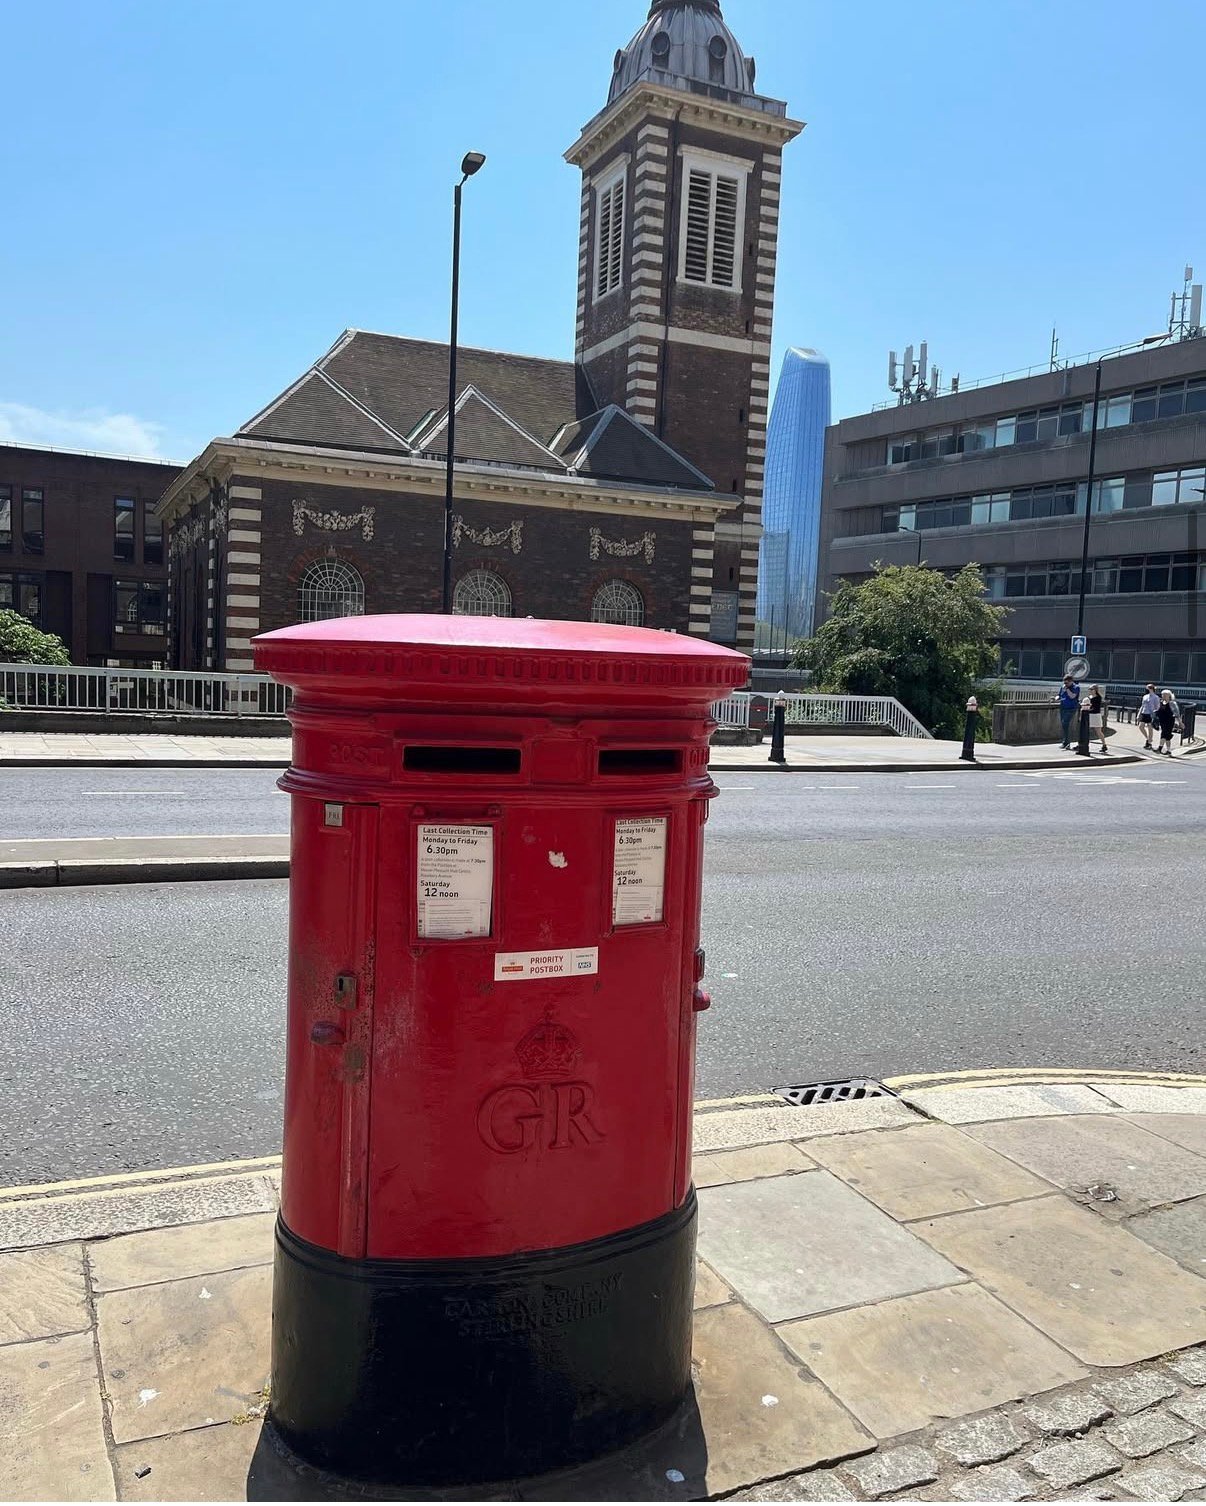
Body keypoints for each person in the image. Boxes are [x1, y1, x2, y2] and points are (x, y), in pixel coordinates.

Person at [1057, 675, 1081, 749]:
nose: (1065, 684)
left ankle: (1066, 742)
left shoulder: (1076, 687)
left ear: (1071, 681)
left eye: (1067, 683)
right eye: (1064, 683)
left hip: (1071, 708)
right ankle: (1065, 742)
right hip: (1063, 707)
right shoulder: (1063, 687)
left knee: (1065, 722)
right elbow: (1059, 695)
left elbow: (1072, 696)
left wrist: (1067, 689)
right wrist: (1055, 698)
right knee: (1064, 725)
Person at [1156, 690, 1180, 756]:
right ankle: (1169, 750)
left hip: (1169, 721)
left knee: (1164, 734)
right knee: (1167, 736)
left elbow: (1177, 713)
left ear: (1169, 696)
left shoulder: (1172, 703)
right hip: (1162, 721)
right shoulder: (1161, 702)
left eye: (1165, 695)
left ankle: (1159, 748)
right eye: (1162, 695)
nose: (1163, 696)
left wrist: (1180, 722)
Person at [1138, 683, 1160, 749]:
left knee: (1150, 727)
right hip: (1144, 712)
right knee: (1141, 726)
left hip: (1151, 714)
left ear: (1151, 689)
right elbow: (1142, 705)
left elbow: (1157, 706)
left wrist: (1156, 714)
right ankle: (1148, 738)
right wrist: (1139, 714)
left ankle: (1149, 742)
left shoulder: (1156, 697)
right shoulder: (1145, 696)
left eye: (1148, 688)